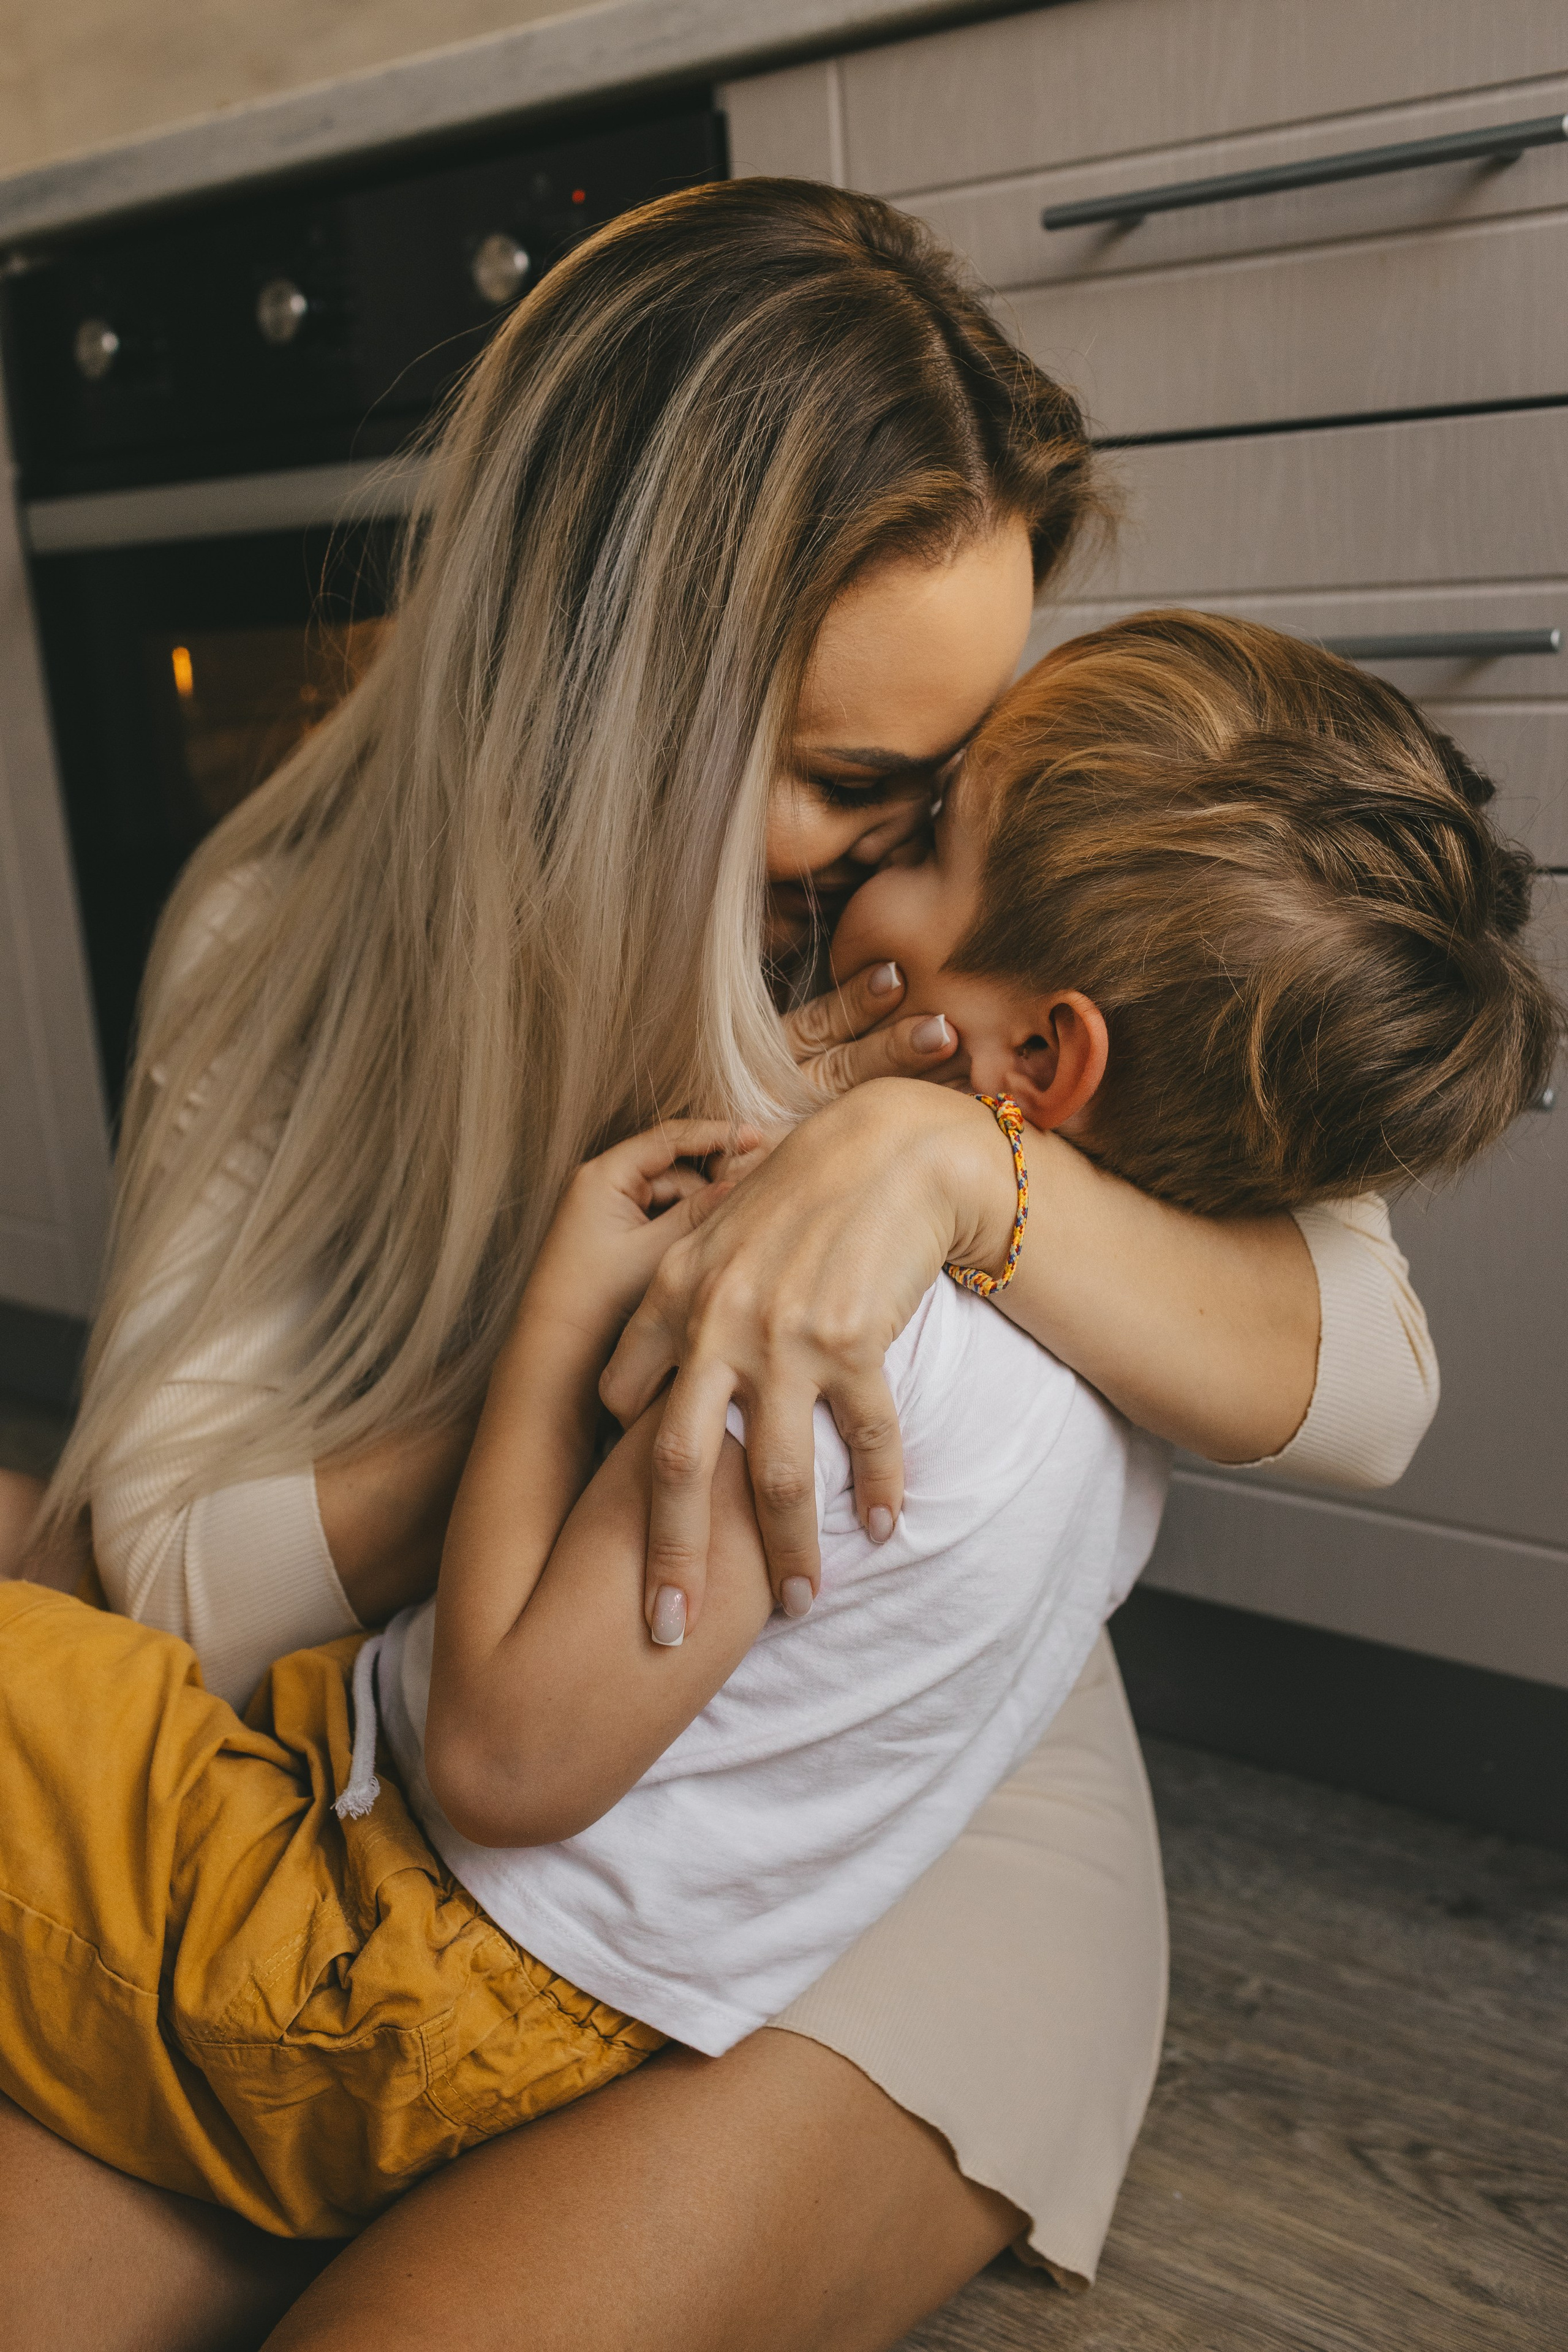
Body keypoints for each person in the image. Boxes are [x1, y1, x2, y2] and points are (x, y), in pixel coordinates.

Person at [0, 182, 1443, 2351]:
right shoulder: (272, 939)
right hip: (369, 1790)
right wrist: (603, 1342)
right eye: (863, 781)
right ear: (612, 703)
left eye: (950, 776)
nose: (901, 847)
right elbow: (176, 1576)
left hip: (893, 1822)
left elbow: (1378, 1382)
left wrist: (949, 1177)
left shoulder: (1007, 946)